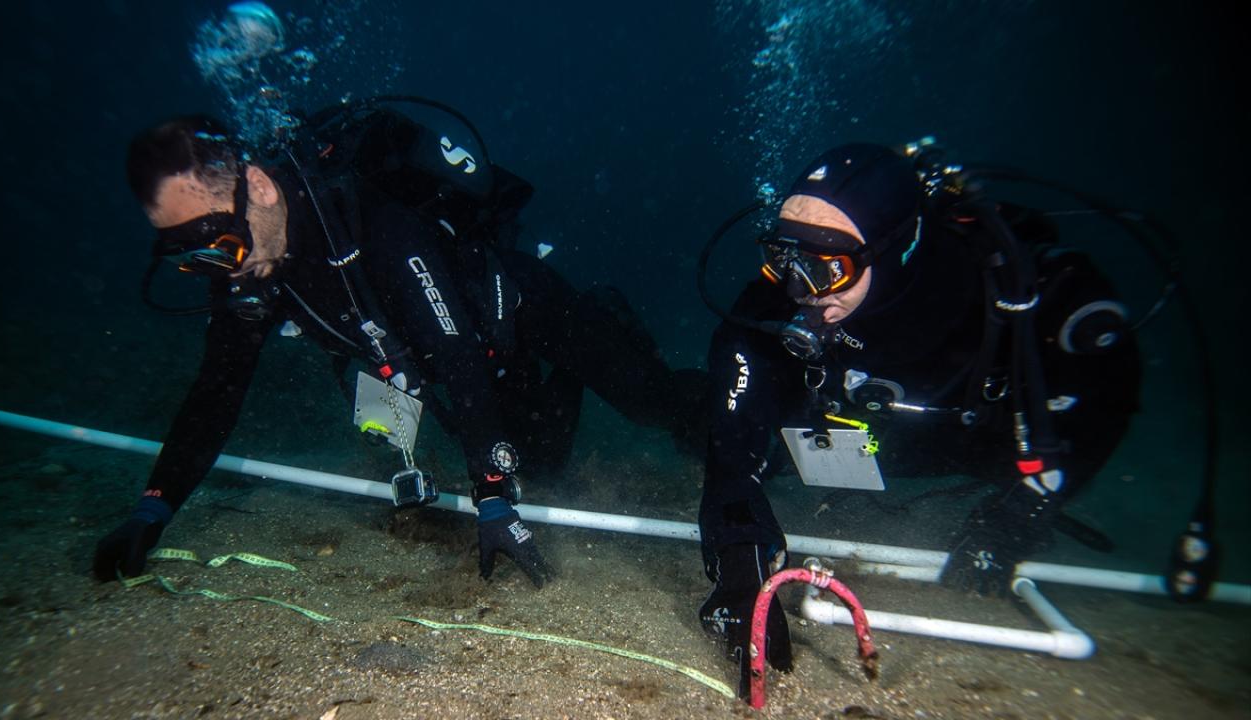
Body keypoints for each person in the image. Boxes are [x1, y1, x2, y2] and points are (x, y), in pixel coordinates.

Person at [93, 105, 705, 588]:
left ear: (259, 186)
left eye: (219, 243)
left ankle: (626, 338)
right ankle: (562, 383)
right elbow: (215, 392)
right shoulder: (249, 270)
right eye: (193, 259)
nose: (222, 271)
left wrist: (491, 492)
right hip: (470, 360)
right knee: (542, 461)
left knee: (649, 404)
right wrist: (156, 507)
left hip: (522, 307)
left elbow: (454, 347)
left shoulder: (366, 218)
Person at [695, 142, 1140, 692]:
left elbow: (1106, 400)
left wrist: (1024, 511)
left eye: (824, 267)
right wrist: (740, 553)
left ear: (896, 250)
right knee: (691, 413)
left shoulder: (1013, 297)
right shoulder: (774, 302)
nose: (797, 289)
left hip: (965, 439)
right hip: (841, 428)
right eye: (785, 259)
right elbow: (732, 441)